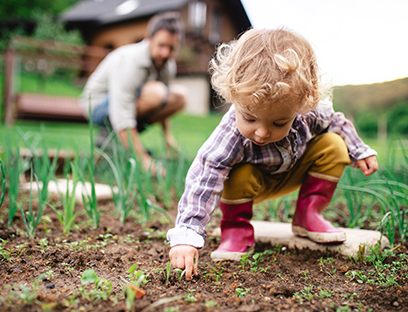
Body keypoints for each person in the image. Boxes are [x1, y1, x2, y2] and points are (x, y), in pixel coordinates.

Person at [167, 28, 378, 281]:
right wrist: (187, 234)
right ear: (234, 97)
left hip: (293, 171)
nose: (262, 132)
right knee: (235, 172)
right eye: (249, 118)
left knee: (333, 144)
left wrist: (359, 150)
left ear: (300, 105)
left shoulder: (307, 111)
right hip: (250, 185)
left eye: (279, 122)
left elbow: (337, 122)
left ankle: (308, 214)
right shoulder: (230, 133)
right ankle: (235, 229)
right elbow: (204, 176)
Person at [79, 11, 187, 173]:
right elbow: (122, 110)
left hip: (128, 104)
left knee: (179, 97)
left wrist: (167, 137)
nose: (165, 53)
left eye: (171, 48)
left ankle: (120, 141)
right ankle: (111, 138)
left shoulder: (168, 64)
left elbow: (165, 103)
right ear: (148, 39)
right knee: (156, 92)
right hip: (97, 105)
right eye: (161, 45)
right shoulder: (131, 61)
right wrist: (143, 159)